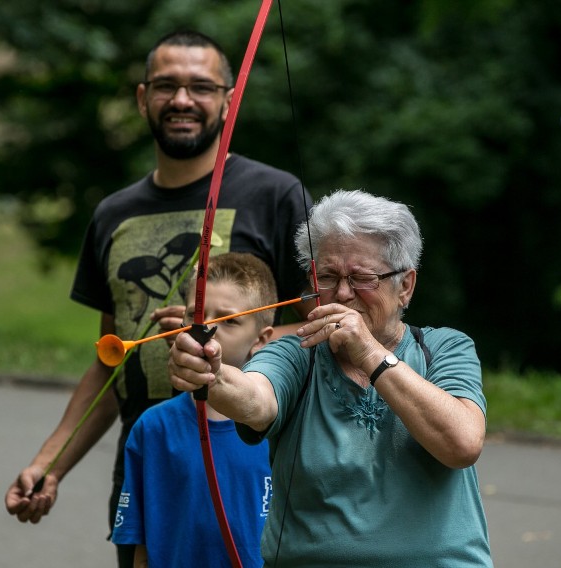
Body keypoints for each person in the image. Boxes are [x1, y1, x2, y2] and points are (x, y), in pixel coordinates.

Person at [4, 29, 313, 567]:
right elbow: (110, 360)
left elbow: (323, 327)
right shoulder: (113, 214)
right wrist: (49, 465)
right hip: (150, 452)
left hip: (243, 453)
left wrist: (222, 338)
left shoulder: (276, 194)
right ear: (143, 98)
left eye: (201, 86)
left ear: (228, 99)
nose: (183, 100)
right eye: (166, 86)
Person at [168, 189, 494, 567]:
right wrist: (211, 373)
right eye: (327, 276)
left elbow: (462, 443)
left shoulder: (443, 348)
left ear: (405, 286)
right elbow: (255, 396)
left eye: (362, 279)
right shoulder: (297, 353)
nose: (342, 293)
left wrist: (370, 353)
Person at [112, 252, 275, 567]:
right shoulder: (153, 427)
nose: (205, 332)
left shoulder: (279, 427)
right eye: (196, 317)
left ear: (261, 340)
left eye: (228, 320)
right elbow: (140, 549)